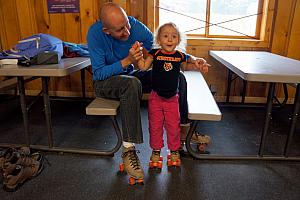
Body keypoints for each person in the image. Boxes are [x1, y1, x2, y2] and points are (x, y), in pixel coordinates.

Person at [87, 2, 209, 181]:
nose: (127, 32)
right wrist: (127, 60)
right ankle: (129, 150)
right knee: (131, 84)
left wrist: (176, 60)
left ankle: (183, 130)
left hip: (131, 75)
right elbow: (98, 74)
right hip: (106, 82)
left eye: (127, 24)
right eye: (121, 30)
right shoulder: (95, 35)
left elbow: (158, 45)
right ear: (107, 31)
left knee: (179, 78)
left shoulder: (133, 26)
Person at [134, 22, 209, 166]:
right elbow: (143, 67)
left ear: (178, 40)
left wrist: (200, 62)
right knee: (155, 126)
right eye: (165, 36)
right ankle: (156, 150)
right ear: (159, 40)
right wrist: (138, 57)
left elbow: (191, 58)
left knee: (173, 126)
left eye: (173, 36)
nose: (169, 39)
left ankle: (174, 150)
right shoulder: (154, 53)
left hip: (172, 99)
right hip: (156, 98)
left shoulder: (179, 55)